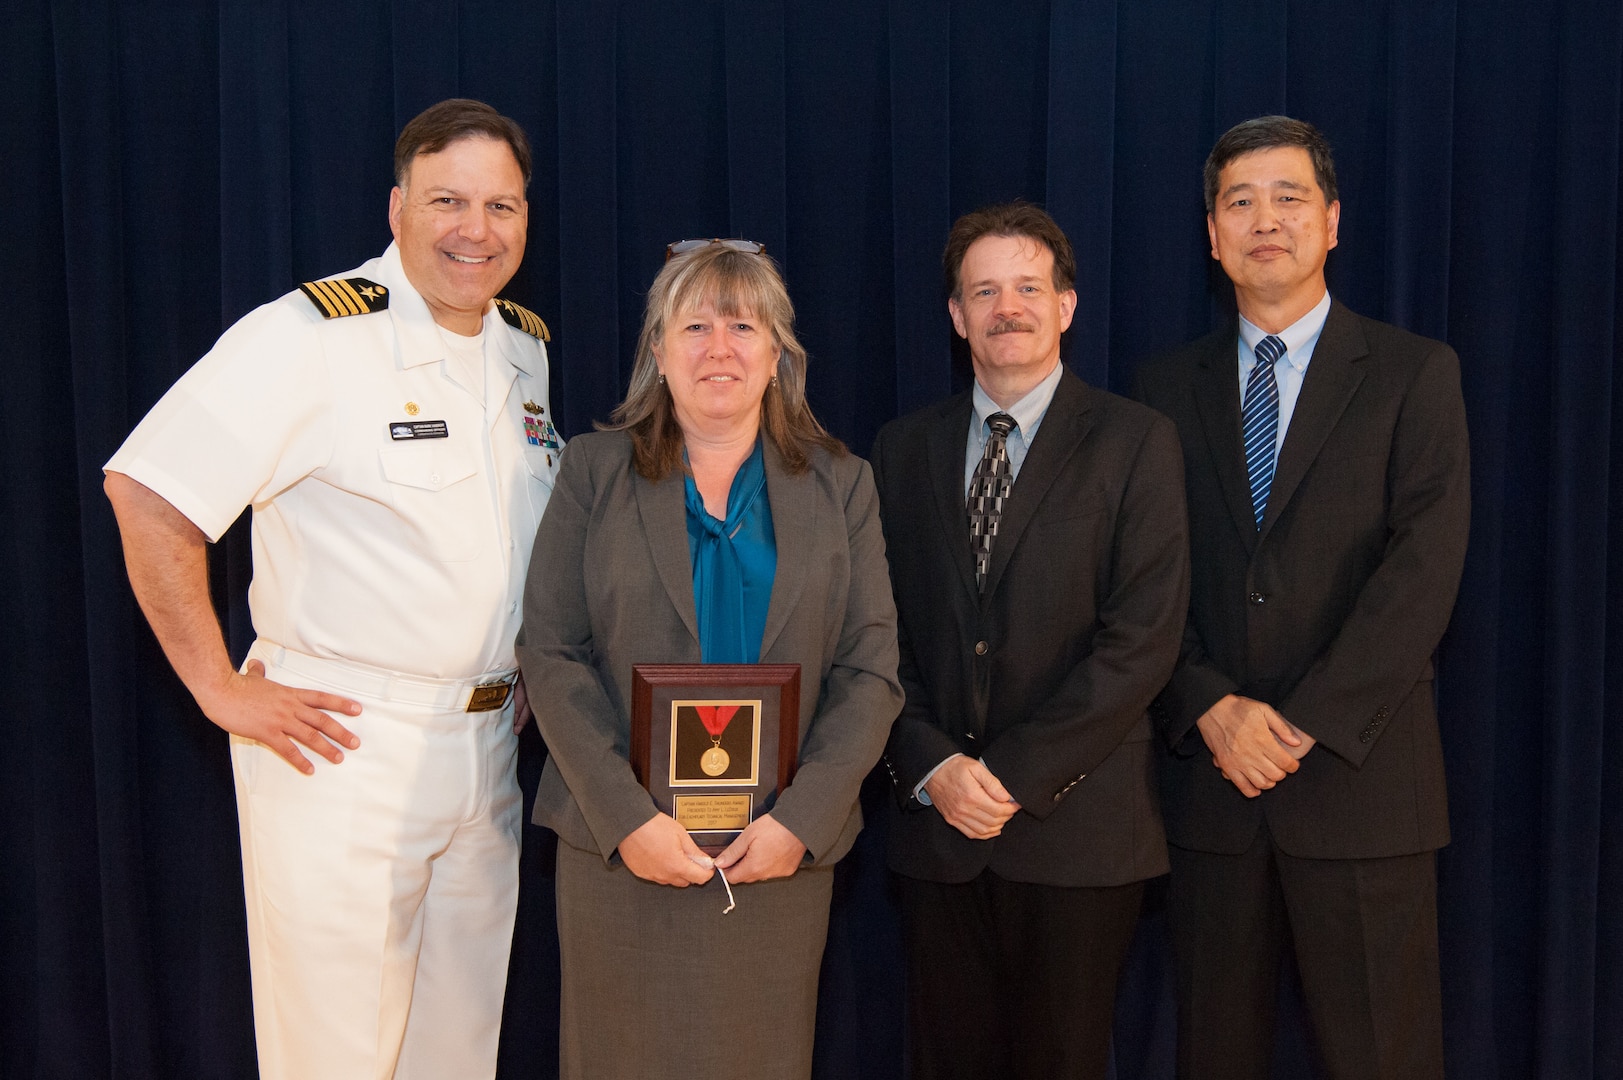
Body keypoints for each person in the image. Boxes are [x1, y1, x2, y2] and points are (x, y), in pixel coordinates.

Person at [103, 99, 558, 1080]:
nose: (476, 231)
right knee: (336, 1060)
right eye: (448, 201)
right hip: (345, 747)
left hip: (484, 755)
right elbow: (147, 489)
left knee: (457, 1053)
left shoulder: (524, 348)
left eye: (502, 206)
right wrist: (218, 687)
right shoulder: (308, 336)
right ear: (396, 210)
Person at [1133, 116, 1471, 1079]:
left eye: (1288, 198)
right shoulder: (1159, 390)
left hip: (1362, 790)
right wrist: (1208, 707)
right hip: (1212, 792)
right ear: (1211, 235)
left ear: (1331, 222)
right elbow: (1143, 581)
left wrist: (1298, 725)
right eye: (1239, 202)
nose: (1264, 220)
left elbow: (1422, 573)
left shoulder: (1415, 374)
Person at [517, 239, 903, 1080]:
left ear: (777, 353)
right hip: (620, 851)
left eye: (742, 325)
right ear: (657, 350)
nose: (718, 348)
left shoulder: (843, 484)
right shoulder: (592, 471)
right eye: (693, 326)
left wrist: (801, 822)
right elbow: (551, 652)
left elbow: (869, 672)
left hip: (775, 855)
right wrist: (630, 821)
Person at [870, 202, 1190, 1079]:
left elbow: (1142, 639)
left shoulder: (1136, 442)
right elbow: (872, 633)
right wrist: (932, 765)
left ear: (1066, 306)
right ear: (956, 316)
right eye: (983, 291)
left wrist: (1012, 775)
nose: (1005, 306)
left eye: (1026, 287)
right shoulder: (900, 452)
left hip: (1078, 833)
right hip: (937, 833)